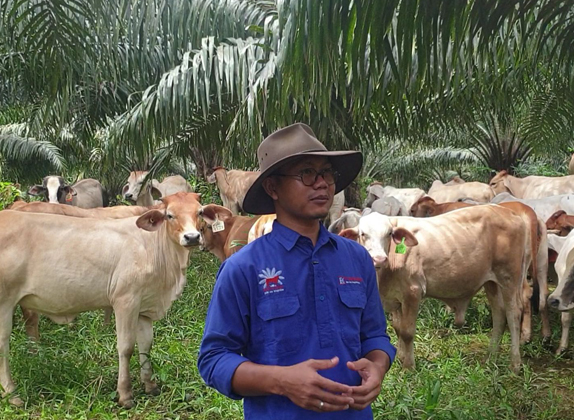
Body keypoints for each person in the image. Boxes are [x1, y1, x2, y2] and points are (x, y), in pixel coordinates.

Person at [198, 123, 396, 419]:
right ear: (272, 187)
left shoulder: (356, 258)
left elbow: (375, 336)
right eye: (306, 173)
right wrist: (282, 382)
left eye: (326, 173)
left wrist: (378, 365)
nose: (322, 184)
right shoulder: (243, 268)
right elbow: (214, 359)